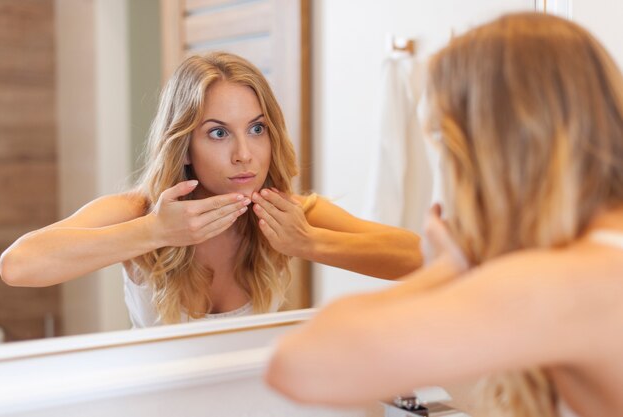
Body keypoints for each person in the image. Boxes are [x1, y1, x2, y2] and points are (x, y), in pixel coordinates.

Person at [266, 13, 623, 417]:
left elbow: (297, 365)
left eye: (443, 142)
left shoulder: (564, 278)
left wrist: (446, 269)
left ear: (490, 148)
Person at [0, 52, 421, 327]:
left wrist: (311, 243)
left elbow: (427, 260)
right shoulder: (140, 211)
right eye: (218, 133)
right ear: (184, 145)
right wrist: (154, 232)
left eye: (256, 129)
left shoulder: (286, 213)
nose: (245, 154)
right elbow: (18, 265)